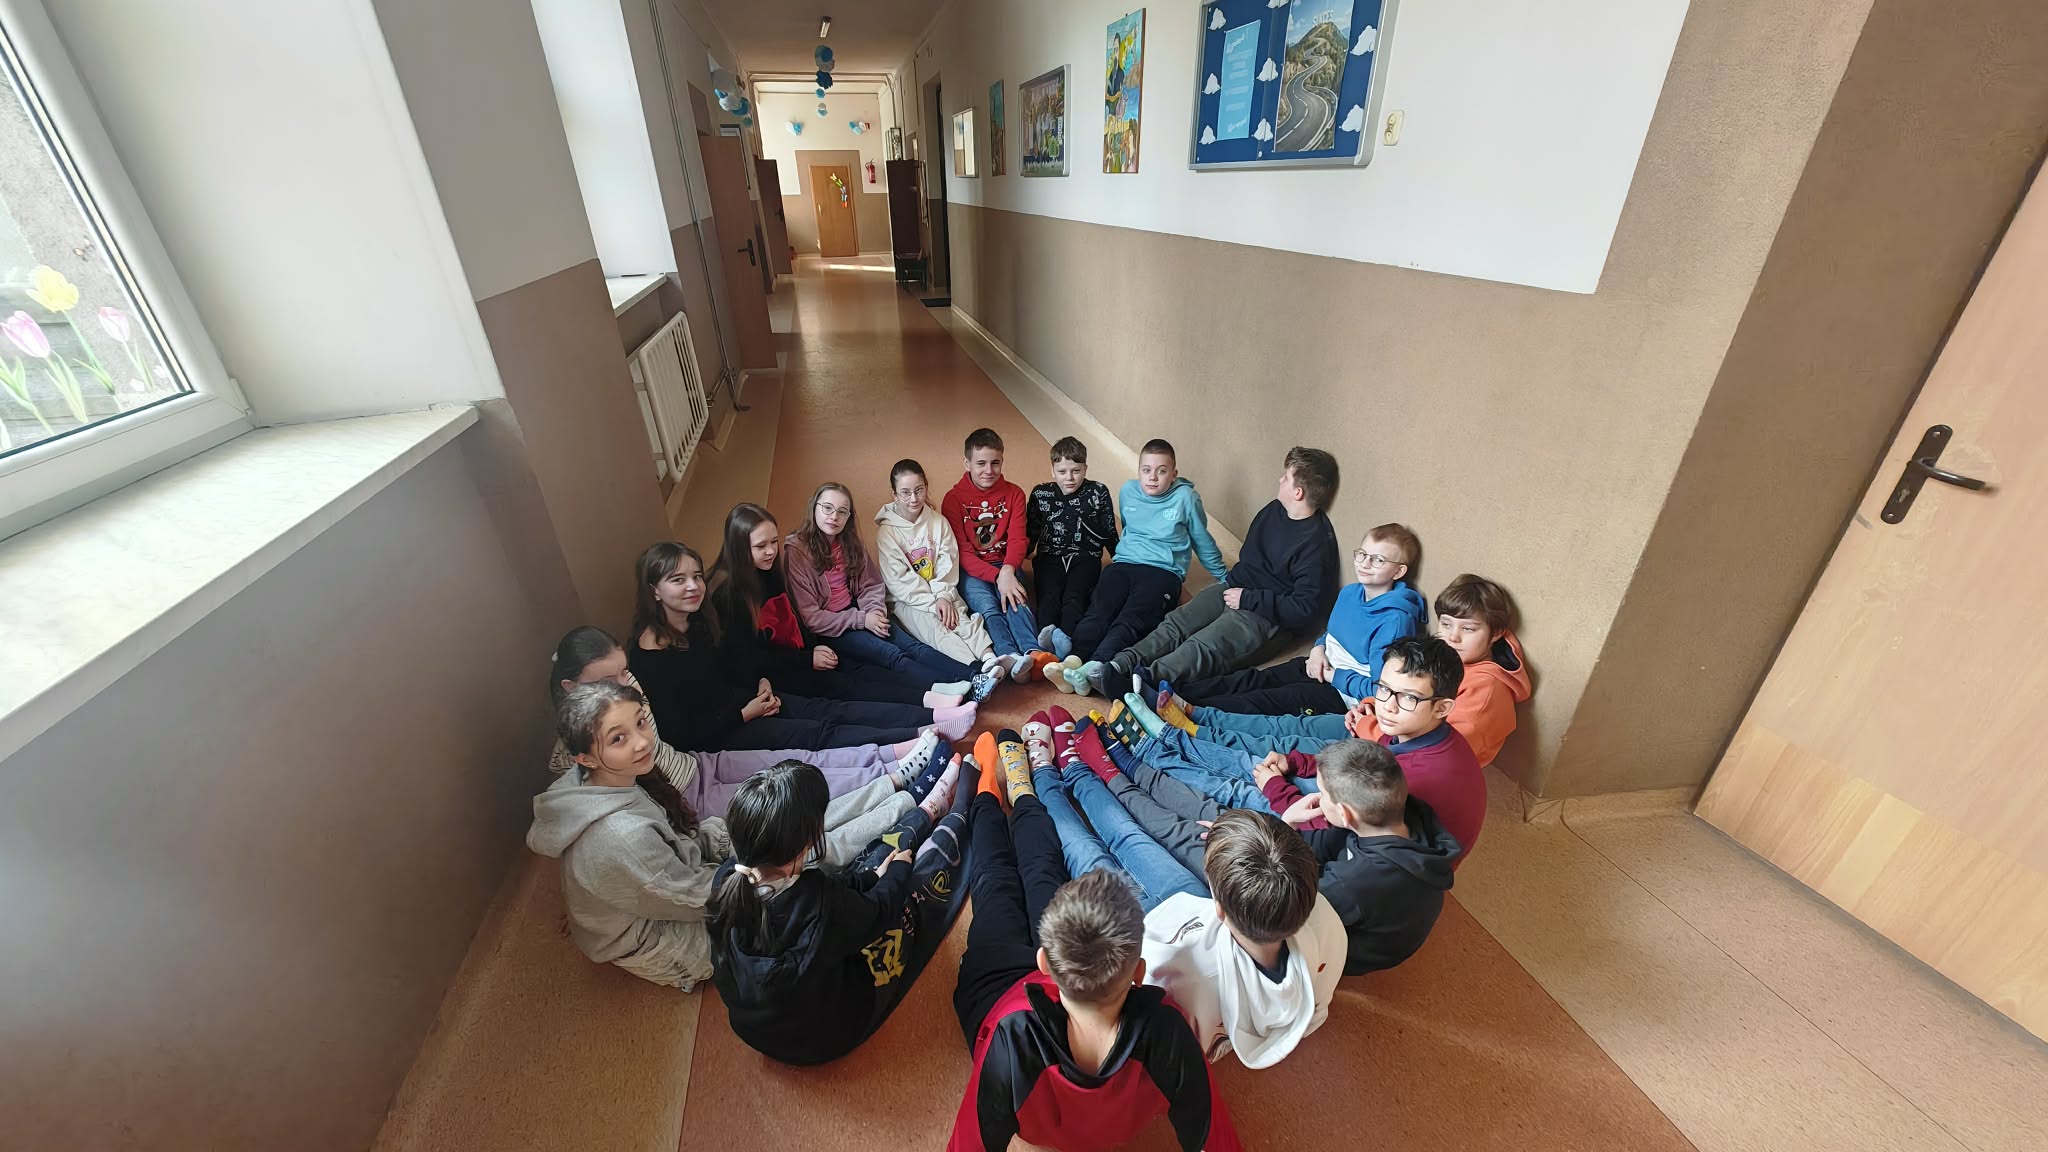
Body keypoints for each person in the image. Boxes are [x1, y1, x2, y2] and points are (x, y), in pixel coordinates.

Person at [529, 682, 961, 991]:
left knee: (784, 824)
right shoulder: (622, 837)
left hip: (687, 879)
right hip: (662, 932)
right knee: (798, 879)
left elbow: (688, 840)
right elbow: (694, 899)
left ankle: (894, 787)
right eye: (618, 738)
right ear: (585, 758)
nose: (642, 742)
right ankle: (917, 806)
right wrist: (768, 871)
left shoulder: (621, 777)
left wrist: (746, 841)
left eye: (640, 723)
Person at [946, 793, 1241, 1151]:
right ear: (1139, 973)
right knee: (1036, 873)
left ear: (1042, 964)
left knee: (997, 880)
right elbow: (1216, 1138)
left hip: (1000, 989)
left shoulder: (1012, 1037)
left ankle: (989, 794)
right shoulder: (1168, 1030)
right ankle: (1021, 795)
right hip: (1066, 972)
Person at [709, 759, 974, 1065]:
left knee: (868, 869)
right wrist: (897, 872)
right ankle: (957, 812)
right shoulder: (820, 905)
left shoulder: (726, 880)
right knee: (912, 893)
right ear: (805, 845)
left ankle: (929, 809)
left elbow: (832, 889)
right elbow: (879, 912)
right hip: (827, 1035)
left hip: (760, 1032)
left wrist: (872, 878)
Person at [545, 624, 955, 820]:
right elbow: (606, 810)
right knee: (794, 792)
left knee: (798, 761)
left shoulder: (629, 684)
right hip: (686, 799)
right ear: (571, 687)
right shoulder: (578, 755)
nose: (623, 683)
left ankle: (893, 755)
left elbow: (667, 737)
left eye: (624, 671)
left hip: (697, 764)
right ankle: (895, 780)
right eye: (609, 679)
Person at [1164, 576, 1530, 769]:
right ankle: (1197, 715)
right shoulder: (1444, 656)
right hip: (1377, 723)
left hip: (1389, 755)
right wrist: (1370, 705)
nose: (1452, 636)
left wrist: (1369, 717)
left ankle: (1196, 735)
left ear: (1495, 633)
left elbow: (1430, 751)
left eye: (1468, 629)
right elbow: (1397, 690)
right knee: (1288, 722)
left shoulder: (1485, 693)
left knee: (1291, 742)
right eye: (1446, 624)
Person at [627, 541, 952, 753]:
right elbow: (680, 734)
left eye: (696, 576)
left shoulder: (699, 620)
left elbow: (731, 667)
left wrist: (759, 684)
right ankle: (913, 740)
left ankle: (929, 720)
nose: (693, 586)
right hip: (723, 732)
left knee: (827, 708)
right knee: (815, 733)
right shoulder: (648, 658)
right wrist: (744, 713)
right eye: (678, 580)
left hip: (747, 700)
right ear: (654, 590)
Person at [1077, 447, 1342, 694]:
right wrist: (1231, 587)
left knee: (1203, 646)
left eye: (1286, 478)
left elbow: (1304, 609)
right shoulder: (1273, 510)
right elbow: (1248, 561)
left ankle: (1141, 681)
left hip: (1266, 615)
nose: (1280, 480)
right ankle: (1119, 664)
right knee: (1178, 622)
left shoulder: (1316, 545)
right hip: (1236, 588)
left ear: (1298, 493)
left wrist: (1249, 599)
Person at [707, 501, 979, 717]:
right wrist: (808, 658)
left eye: (773, 542)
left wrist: (818, 646)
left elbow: (795, 619)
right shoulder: (729, 594)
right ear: (739, 548)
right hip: (781, 670)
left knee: (872, 663)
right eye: (761, 546)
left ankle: (941, 689)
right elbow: (751, 657)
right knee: (858, 680)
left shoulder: (768, 572)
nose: (770, 551)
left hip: (809, 648)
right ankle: (931, 705)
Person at [1141, 809, 1348, 1067]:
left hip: (1160, 924)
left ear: (1219, 910)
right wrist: (1242, 845)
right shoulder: (1327, 920)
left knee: (1121, 840)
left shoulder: (1182, 975)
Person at [1172, 523, 1426, 717]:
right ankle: (1175, 693)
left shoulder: (1395, 621)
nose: (1365, 564)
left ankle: (1189, 712)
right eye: (1362, 554)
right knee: (1256, 679)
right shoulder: (1351, 592)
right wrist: (1318, 648)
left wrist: (1333, 675)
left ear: (1399, 571)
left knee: (1266, 701)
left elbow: (1381, 689)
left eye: (1378, 560)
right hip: (1319, 663)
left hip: (1341, 693)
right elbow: (1332, 633)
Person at [785, 481, 1002, 703]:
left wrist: (874, 612)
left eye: (842, 512)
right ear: (814, 507)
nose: (834, 517)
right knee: (892, 654)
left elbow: (871, 585)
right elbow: (811, 618)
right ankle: (955, 689)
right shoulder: (796, 551)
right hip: (833, 627)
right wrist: (862, 620)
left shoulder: (849, 543)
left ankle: (975, 676)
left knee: (913, 646)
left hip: (862, 611)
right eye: (827, 508)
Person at [1259, 739, 1457, 974]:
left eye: (1322, 794)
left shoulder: (1352, 883)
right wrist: (1289, 828)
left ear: (1345, 814)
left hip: (1352, 950)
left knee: (1250, 915)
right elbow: (1321, 843)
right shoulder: (1395, 814)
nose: (1318, 798)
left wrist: (1286, 824)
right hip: (1376, 908)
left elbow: (1281, 911)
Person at [1051, 438, 1228, 690]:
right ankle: (1073, 661)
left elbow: (1202, 541)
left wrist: (1224, 576)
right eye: (1146, 470)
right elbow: (1129, 528)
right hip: (1124, 564)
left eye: (1161, 471)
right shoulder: (1128, 491)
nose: (1152, 477)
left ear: (1174, 474)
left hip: (1163, 571)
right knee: (1099, 611)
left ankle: (1096, 666)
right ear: (1139, 471)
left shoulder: (1186, 498)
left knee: (1131, 619)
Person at [873, 459, 1010, 683]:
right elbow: (899, 581)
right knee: (936, 629)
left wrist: (943, 596)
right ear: (894, 494)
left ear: (926, 487)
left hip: (941, 590)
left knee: (960, 617)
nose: (914, 498)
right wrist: (934, 603)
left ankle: (989, 659)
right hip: (909, 600)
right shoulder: (887, 533)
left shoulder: (938, 522)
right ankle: (976, 670)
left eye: (919, 490)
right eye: (905, 493)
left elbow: (948, 562)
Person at [941, 428, 1050, 675]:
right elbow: (962, 552)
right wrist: (997, 577)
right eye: (981, 463)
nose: (988, 470)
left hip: (1006, 564)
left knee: (1015, 599)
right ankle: (1008, 655)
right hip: (973, 569)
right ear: (967, 463)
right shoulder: (953, 499)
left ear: (1002, 461)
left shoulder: (1014, 494)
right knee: (987, 606)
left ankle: (1032, 652)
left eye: (995, 463)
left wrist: (1008, 571)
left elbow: (1018, 539)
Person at [1025, 436, 1116, 657]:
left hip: (1086, 556)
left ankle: (1066, 637)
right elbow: (1032, 528)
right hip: (1050, 555)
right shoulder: (1041, 494)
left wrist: (1120, 556)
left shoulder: (1098, 492)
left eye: (1076, 471)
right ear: (1052, 470)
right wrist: (1023, 553)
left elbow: (1108, 529)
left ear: (1085, 469)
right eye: (1062, 471)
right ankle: (1046, 636)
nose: (1069, 478)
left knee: (1075, 596)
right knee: (1049, 594)